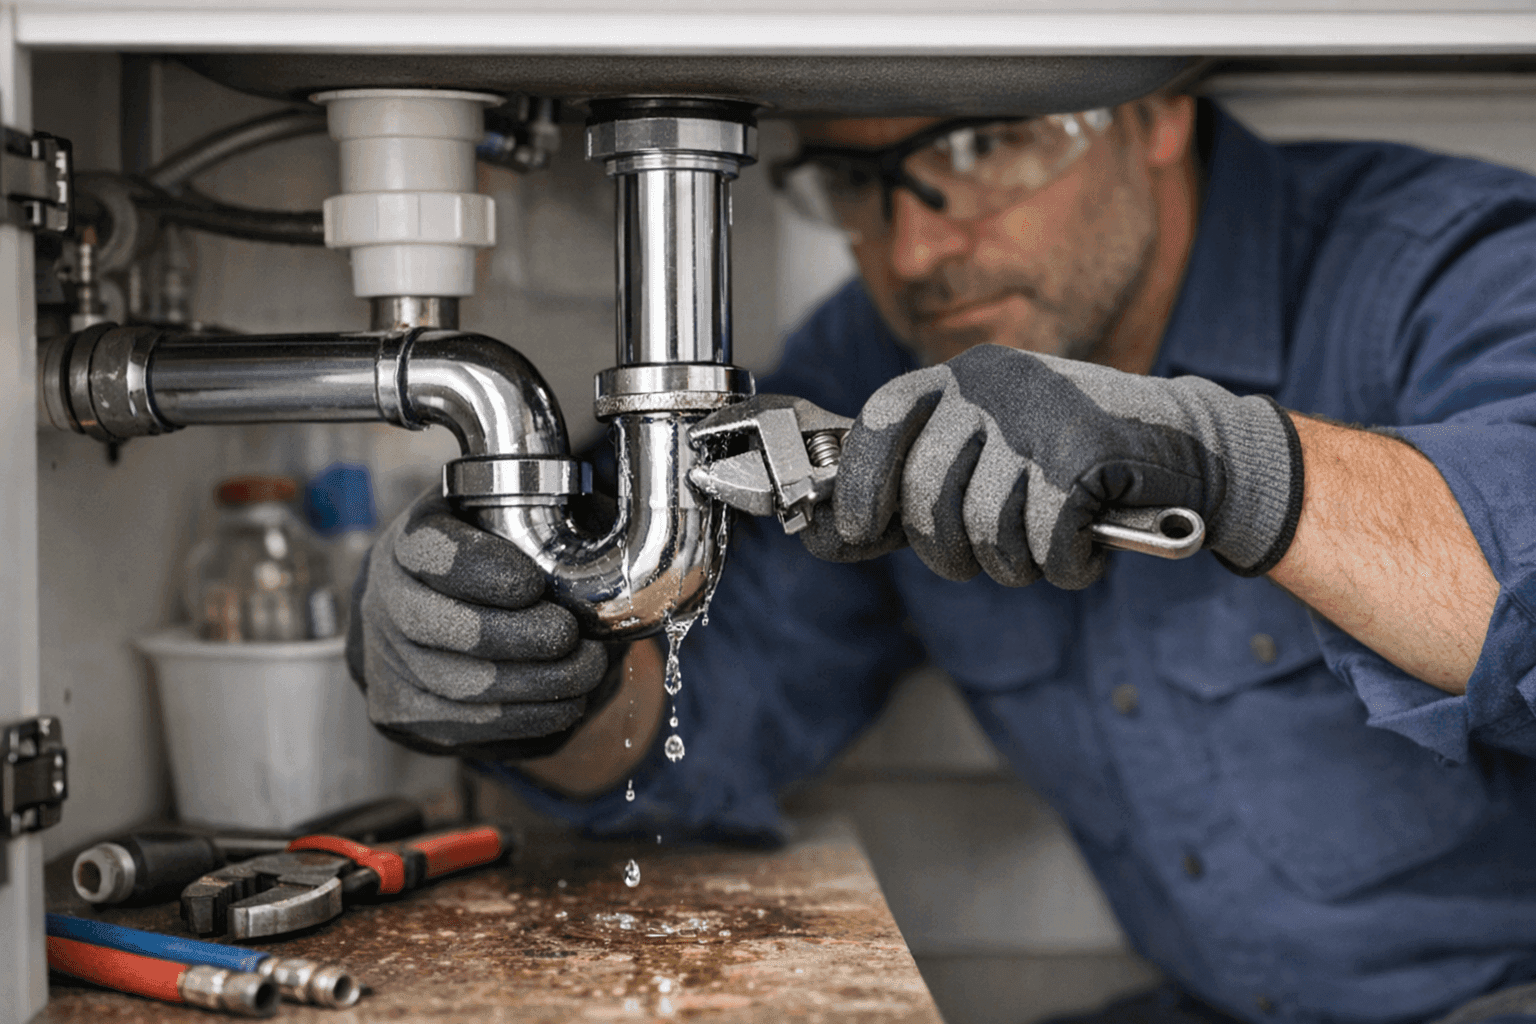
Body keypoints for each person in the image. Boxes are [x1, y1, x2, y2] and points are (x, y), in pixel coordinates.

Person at [348, 86, 1536, 1024]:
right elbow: (718, 706)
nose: (917, 249)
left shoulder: (1447, 269)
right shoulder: (882, 361)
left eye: (984, 146)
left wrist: (1226, 460)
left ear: (1156, 105)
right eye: (858, 181)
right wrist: (532, 684)